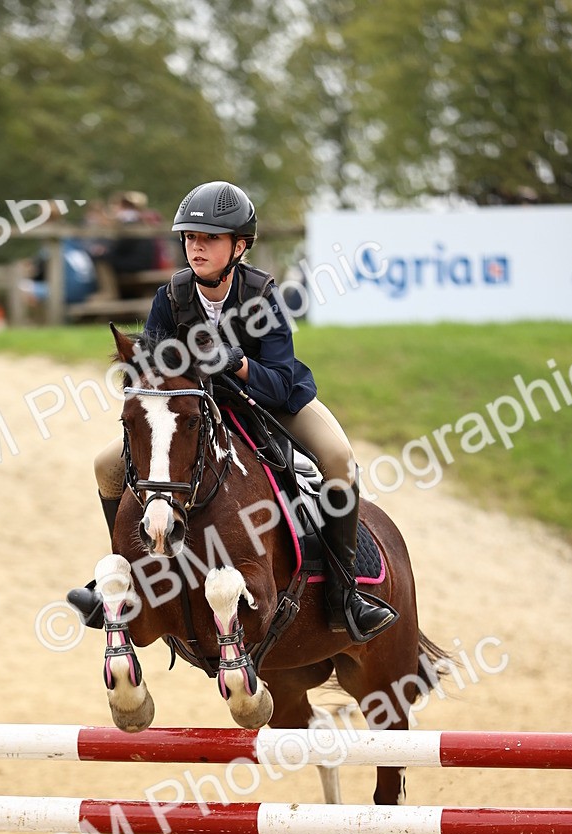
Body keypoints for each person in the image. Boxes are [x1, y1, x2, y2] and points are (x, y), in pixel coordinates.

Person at [68, 180, 398, 643]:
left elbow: (281, 381)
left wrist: (237, 363)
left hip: (273, 403)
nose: (196, 248)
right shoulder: (172, 296)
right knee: (106, 465)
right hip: (198, 410)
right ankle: (122, 571)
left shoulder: (263, 296)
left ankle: (345, 594)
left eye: (209, 238)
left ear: (239, 246)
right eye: (190, 237)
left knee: (338, 458)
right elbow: (152, 372)